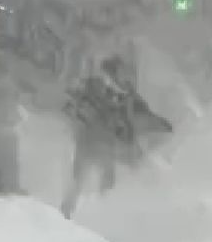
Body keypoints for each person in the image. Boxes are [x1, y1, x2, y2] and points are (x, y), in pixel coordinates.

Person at [61, 55, 171, 217]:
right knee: (80, 180)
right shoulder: (92, 87)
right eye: (120, 74)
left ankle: (101, 214)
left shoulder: (126, 96)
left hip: (105, 146)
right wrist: (77, 114)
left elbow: (144, 114)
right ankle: (67, 214)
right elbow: (70, 104)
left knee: (104, 179)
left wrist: (163, 126)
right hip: (89, 142)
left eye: (123, 74)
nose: (122, 79)